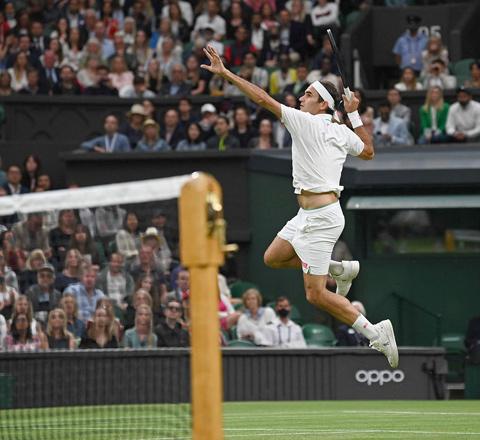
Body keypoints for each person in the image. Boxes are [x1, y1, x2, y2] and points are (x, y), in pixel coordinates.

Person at [200, 44, 398, 366]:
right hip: (308, 214)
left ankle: (376, 333)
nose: (300, 98)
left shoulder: (307, 122)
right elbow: (368, 150)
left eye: (307, 94)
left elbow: (262, 98)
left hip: (321, 218)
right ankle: (339, 268)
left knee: (316, 294)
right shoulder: (340, 130)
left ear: (321, 105)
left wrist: (225, 74)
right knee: (273, 257)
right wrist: (353, 113)